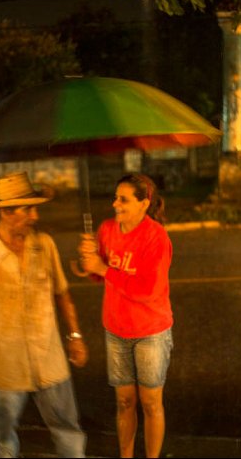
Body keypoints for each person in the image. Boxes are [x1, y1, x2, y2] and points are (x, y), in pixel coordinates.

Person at [0, 171, 88, 458]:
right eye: (28, 209)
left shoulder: (45, 245)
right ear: (5, 211)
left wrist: (75, 336)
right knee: (4, 437)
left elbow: (62, 293)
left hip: (50, 361)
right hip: (4, 369)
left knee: (68, 429)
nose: (35, 216)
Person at [77, 173, 173, 458]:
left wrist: (104, 269)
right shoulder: (107, 229)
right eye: (115, 197)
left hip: (150, 332)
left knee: (151, 403)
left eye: (123, 199)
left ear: (144, 204)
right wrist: (87, 262)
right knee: (124, 402)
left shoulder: (156, 237)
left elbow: (148, 289)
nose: (115, 204)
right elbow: (98, 276)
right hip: (116, 329)